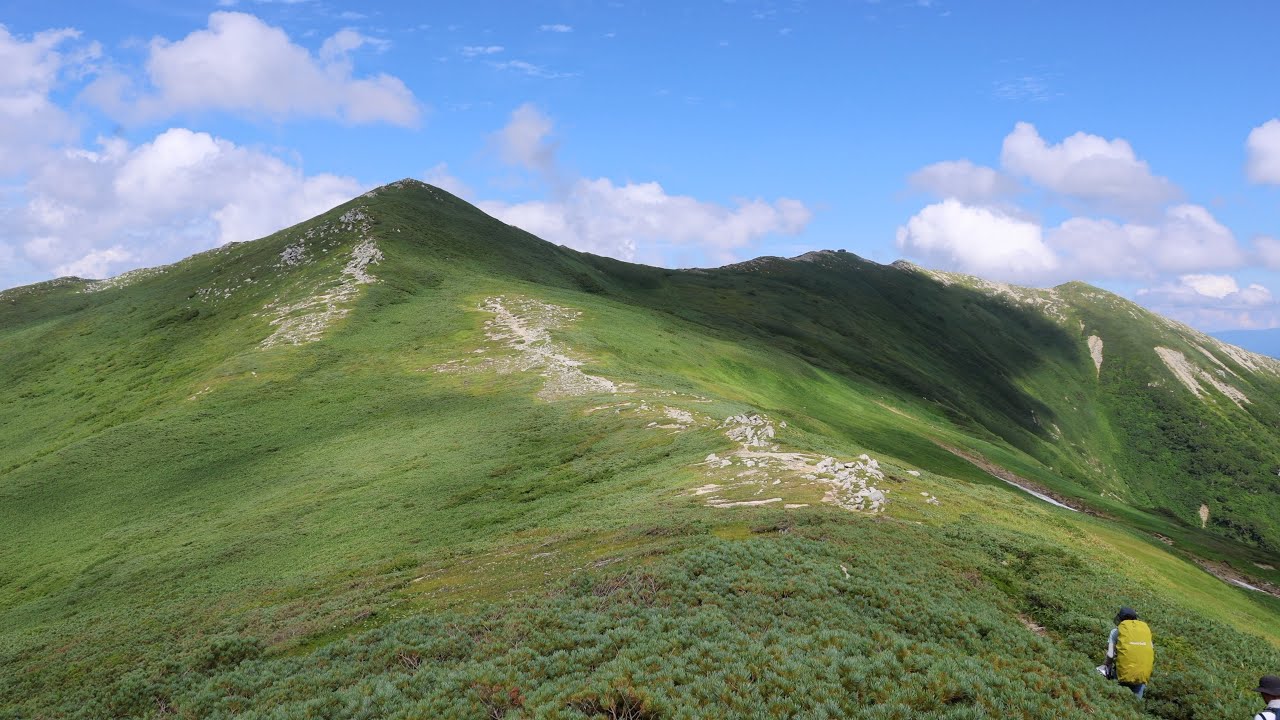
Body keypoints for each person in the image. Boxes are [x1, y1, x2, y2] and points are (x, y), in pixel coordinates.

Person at [1101, 607, 1154, 698]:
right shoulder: (1144, 631)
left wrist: (1106, 665)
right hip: (1141, 675)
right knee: (1135, 704)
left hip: (1122, 675)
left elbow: (1110, 654)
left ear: (1120, 619)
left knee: (1117, 699)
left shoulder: (1115, 632)